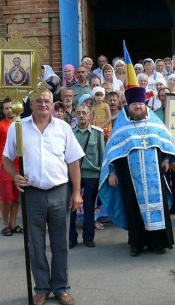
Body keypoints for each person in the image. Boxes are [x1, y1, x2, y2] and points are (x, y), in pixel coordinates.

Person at [2, 89, 84, 305]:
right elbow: (6, 158)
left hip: (59, 192)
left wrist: (76, 192)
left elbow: (73, 162)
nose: (43, 104)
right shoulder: (18, 128)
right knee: (35, 244)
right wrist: (15, 176)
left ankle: (61, 287)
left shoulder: (63, 128)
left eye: (47, 101)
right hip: (32, 195)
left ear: (52, 104)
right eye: (38, 101)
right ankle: (41, 288)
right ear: (31, 104)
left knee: (60, 244)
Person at [98, 73, 175, 257]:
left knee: (158, 207)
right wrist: (111, 172)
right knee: (133, 209)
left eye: (140, 104)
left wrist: (166, 160)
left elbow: (167, 142)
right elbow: (112, 151)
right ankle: (137, 244)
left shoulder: (155, 124)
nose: (138, 107)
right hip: (129, 177)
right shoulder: (121, 126)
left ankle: (159, 243)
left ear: (145, 105)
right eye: (134, 105)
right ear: (129, 106)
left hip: (155, 175)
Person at [69, 104, 105, 249]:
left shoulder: (97, 133)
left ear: (90, 115)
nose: (82, 115)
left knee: (89, 208)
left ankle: (88, 237)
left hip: (91, 175)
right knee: (71, 208)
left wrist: (103, 176)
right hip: (72, 176)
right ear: (75, 116)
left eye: (85, 113)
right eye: (79, 113)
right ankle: (71, 238)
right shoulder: (70, 132)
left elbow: (102, 156)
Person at [0, 99, 22, 236]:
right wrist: (1, 156)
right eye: (6, 108)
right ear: (3, 111)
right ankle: (5, 224)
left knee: (16, 197)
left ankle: (13, 224)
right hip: (5, 166)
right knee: (6, 197)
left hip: (19, 166)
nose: (9, 110)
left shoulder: (21, 124)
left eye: (11, 108)